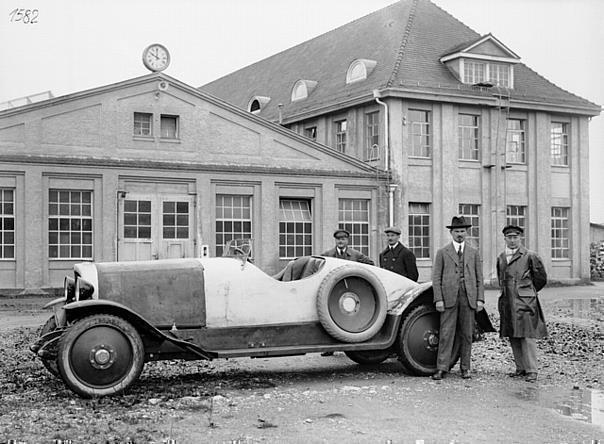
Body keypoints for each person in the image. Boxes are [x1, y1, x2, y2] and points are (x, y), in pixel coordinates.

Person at [432, 216, 484, 380]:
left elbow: (479, 278)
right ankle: (442, 368)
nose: (459, 234)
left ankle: (465, 368)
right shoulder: (442, 252)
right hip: (448, 298)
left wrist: (480, 299)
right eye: (456, 231)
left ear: (466, 233)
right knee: (446, 333)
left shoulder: (473, 252)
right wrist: (438, 299)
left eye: (462, 231)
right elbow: (436, 278)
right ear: (451, 233)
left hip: (468, 297)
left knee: (467, 334)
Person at [496, 224, 547, 383]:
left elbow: (541, 279)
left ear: (520, 238)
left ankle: (532, 370)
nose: (512, 240)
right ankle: (521, 367)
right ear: (504, 239)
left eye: (515, 237)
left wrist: (527, 291)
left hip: (525, 302)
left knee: (527, 335)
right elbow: (501, 279)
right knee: (513, 334)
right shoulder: (501, 257)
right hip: (508, 301)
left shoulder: (531, 256)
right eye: (509, 237)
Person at [320, 228, 373, 356]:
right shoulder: (327, 255)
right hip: (333, 291)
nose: (340, 241)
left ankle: (352, 346)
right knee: (331, 317)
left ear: (347, 240)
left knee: (349, 317)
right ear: (335, 240)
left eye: (343, 239)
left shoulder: (355, 255)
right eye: (338, 239)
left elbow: (371, 263)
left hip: (351, 291)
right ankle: (330, 348)